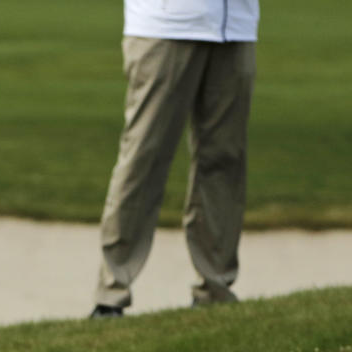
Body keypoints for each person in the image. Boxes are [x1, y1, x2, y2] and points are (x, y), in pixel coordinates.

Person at [91, 0, 259, 317]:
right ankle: (111, 292)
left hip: (236, 25)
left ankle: (215, 288)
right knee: (144, 157)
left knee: (224, 160)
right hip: (165, 24)